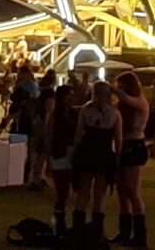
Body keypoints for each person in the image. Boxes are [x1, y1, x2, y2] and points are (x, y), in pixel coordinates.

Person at [72, 72, 123, 248]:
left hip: (87, 151)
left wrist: (76, 151)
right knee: (100, 193)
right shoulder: (114, 113)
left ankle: (78, 230)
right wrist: (117, 157)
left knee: (83, 191)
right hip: (104, 153)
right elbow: (118, 139)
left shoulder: (86, 109)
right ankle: (97, 231)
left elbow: (79, 133)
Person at [114, 70, 152, 246]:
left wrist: (111, 89)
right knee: (122, 190)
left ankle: (140, 236)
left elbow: (127, 99)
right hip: (123, 146)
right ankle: (124, 232)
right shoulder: (121, 104)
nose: (119, 90)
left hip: (135, 145)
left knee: (133, 191)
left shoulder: (139, 102)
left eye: (122, 87)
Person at [49, 78, 90, 237]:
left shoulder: (73, 113)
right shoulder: (56, 115)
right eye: (69, 94)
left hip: (70, 151)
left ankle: (63, 220)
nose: (71, 97)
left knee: (74, 186)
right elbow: (50, 135)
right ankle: (59, 219)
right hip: (59, 152)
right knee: (62, 190)